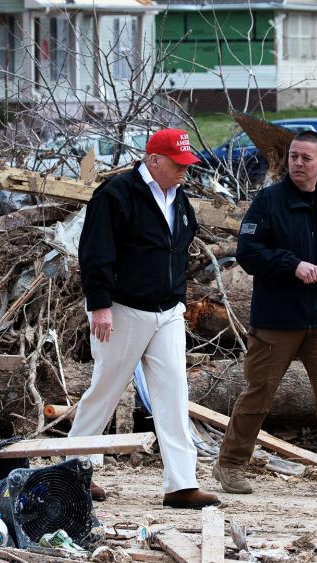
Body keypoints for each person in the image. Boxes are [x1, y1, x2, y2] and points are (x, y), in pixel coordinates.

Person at [212, 131, 317, 498]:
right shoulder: (269, 202)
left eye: (306, 158)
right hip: (276, 319)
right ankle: (230, 465)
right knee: (259, 394)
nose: (298, 164)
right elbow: (249, 253)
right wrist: (293, 266)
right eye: (293, 157)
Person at [74, 128, 220, 510]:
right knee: (105, 389)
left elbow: (178, 252)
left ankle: (181, 483)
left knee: (173, 393)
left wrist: (180, 300)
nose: (185, 171)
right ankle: (74, 471)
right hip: (123, 309)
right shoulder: (116, 195)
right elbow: (95, 251)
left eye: (188, 165)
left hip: (168, 310)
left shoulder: (179, 199)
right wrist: (100, 304)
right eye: (178, 164)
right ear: (154, 160)